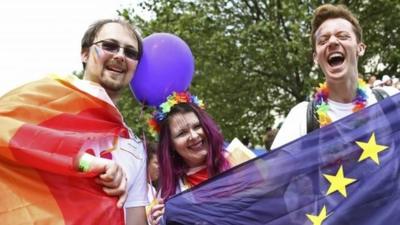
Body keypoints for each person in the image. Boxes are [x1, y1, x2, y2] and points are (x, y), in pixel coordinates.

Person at [0, 19, 147, 225]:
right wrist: (84, 161)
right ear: (85, 53)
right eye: (109, 46)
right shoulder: (47, 96)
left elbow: (135, 220)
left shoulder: (134, 145)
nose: (120, 55)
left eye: (130, 53)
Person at [271, 4, 398, 149]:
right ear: (315, 57)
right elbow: (273, 171)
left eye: (342, 36)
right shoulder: (301, 117)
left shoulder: (390, 100)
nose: (332, 42)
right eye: (323, 41)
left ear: (360, 48)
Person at [147, 91, 253, 225]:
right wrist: (157, 221)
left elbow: (273, 200)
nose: (194, 136)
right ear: (171, 145)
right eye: (182, 133)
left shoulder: (240, 157)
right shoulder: (170, 192)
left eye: (197, 126)